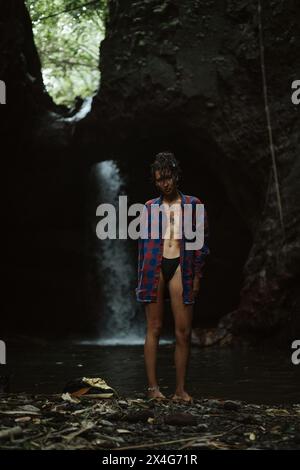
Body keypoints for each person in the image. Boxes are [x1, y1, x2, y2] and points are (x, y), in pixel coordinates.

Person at [135, 151, 210, 403]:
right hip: (154, 267)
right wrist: (141, 281)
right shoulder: (148, 207)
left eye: (167, 177)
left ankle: (180, 390)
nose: (163, 183)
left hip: (181, 265)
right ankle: (153, 389)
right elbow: (143, 247)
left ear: (176, 175)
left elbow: (201, 243)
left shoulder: (193, 204)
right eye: (158, 180)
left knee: (182, 332)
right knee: (154, 328)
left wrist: (197, 276)